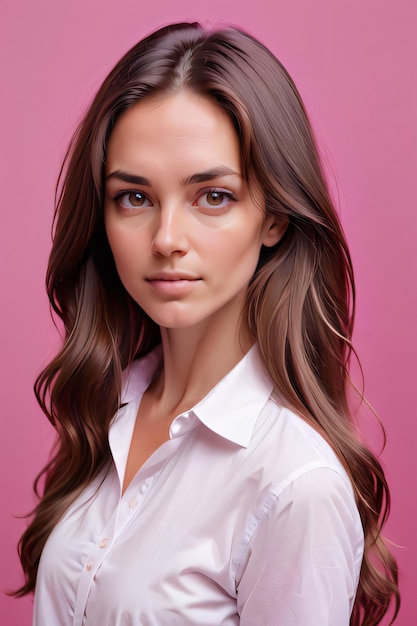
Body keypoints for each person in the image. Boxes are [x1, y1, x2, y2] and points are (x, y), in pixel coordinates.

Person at [15, 22, 399, 625]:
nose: (167, 240)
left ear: (272, 217)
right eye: (134, 198)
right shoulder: (109, 405)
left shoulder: (295, 484)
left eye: (212, 196)